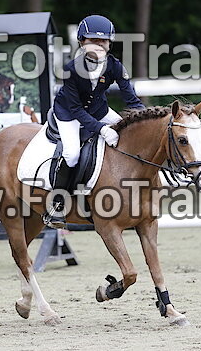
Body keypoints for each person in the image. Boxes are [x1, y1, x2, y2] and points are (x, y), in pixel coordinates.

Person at [43, 14, 145, 228]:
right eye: (93, 41)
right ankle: (57, 204)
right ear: (82, 42)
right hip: (69, 114)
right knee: (72, 154)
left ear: (110, 43)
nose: (99, 45)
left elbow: (132, 100)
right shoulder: (71, 69)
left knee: (130, 138)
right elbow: (76, 109)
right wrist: (102, 130)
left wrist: (148, 119)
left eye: (104, 41)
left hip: (99, 110)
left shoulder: (115, 66)